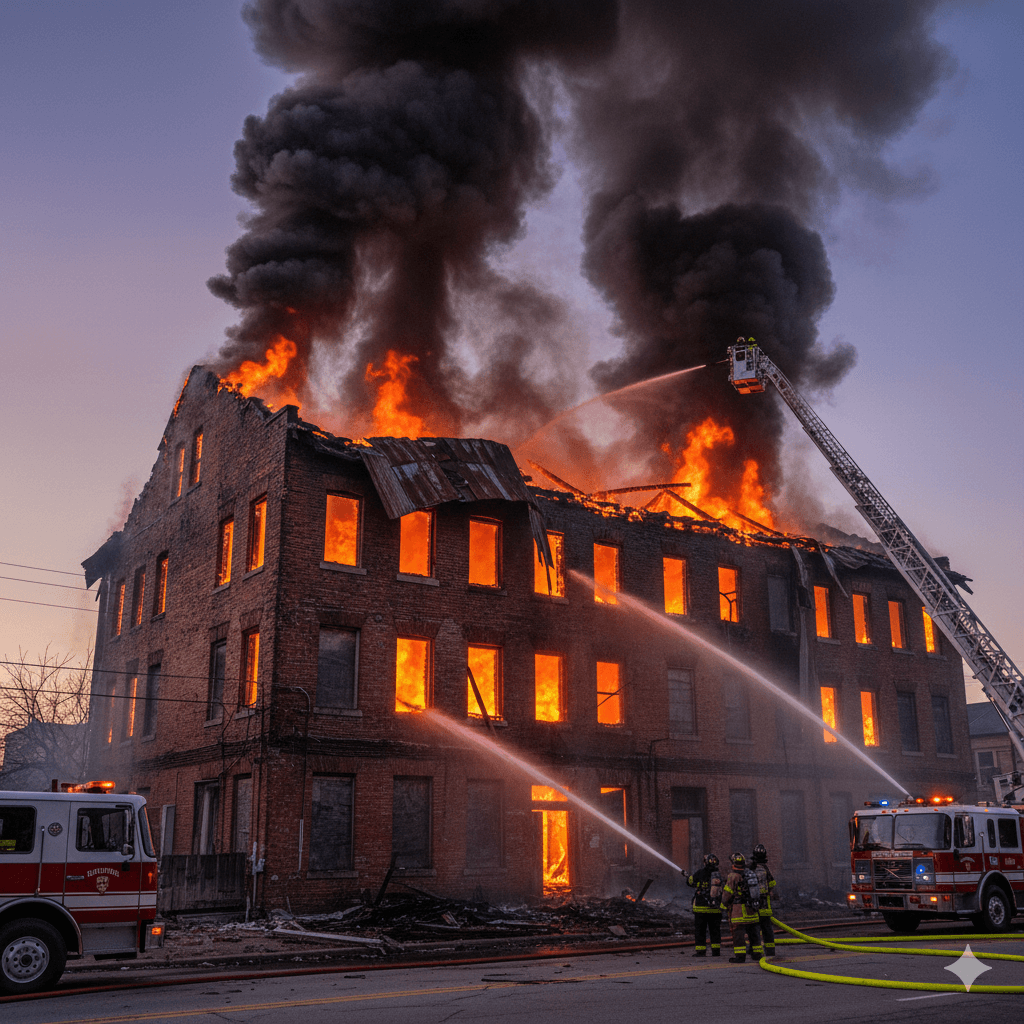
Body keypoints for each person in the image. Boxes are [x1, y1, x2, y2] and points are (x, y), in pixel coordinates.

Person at [722, 852, 761, 963]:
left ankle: (740, 956)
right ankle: (757, 954)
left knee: (738, 934)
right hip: (752, 910)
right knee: (754, 934)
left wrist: (723, 905)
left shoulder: (733, 876)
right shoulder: (750, 873)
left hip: (739, 911)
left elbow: (727, 893)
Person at [685, 853, 723, 957]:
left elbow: (690, 882)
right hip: (715, 908)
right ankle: (716, 951)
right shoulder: (718, 875)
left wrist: (689, 877)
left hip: (701, 908)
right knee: (715, 930)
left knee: (700, 930)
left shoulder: (700, 873)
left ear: (705, 863)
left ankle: (701, 951)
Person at [751, 844, 777, 957]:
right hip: (765, 906)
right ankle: (770, 951)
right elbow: (772, 883)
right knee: (767, 929)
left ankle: (754, 950)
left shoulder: (750, 869)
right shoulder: (765, 869)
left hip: (753, 906)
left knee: (753, 929)